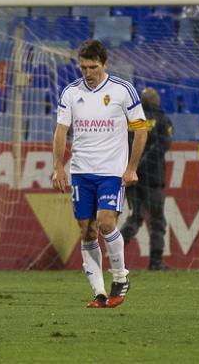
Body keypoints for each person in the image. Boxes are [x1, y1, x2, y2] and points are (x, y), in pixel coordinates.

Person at [52, 40, 147, 308]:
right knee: (88, 231)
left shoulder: (123, 90)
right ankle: (100, 293)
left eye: (93, 67)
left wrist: (131, 168)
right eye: (83, 67)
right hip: (81, 172)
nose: (88, 72)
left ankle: (120, 276)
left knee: (106, 222)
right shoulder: (70, 92)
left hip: (111, 172)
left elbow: (141, 129)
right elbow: (61, 131)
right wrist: (59, 166)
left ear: (104, 64)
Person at [120, 87, 173, 271]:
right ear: (157, 100)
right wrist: (145, 164)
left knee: (135, 218)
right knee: (157, 220)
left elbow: (126, 143)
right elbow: (162, 146)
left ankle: (113, 255)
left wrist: (135, 166)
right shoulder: (163, 120)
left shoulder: (134, 120)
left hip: (133, 177)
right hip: (153, 178)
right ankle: (156, 262)